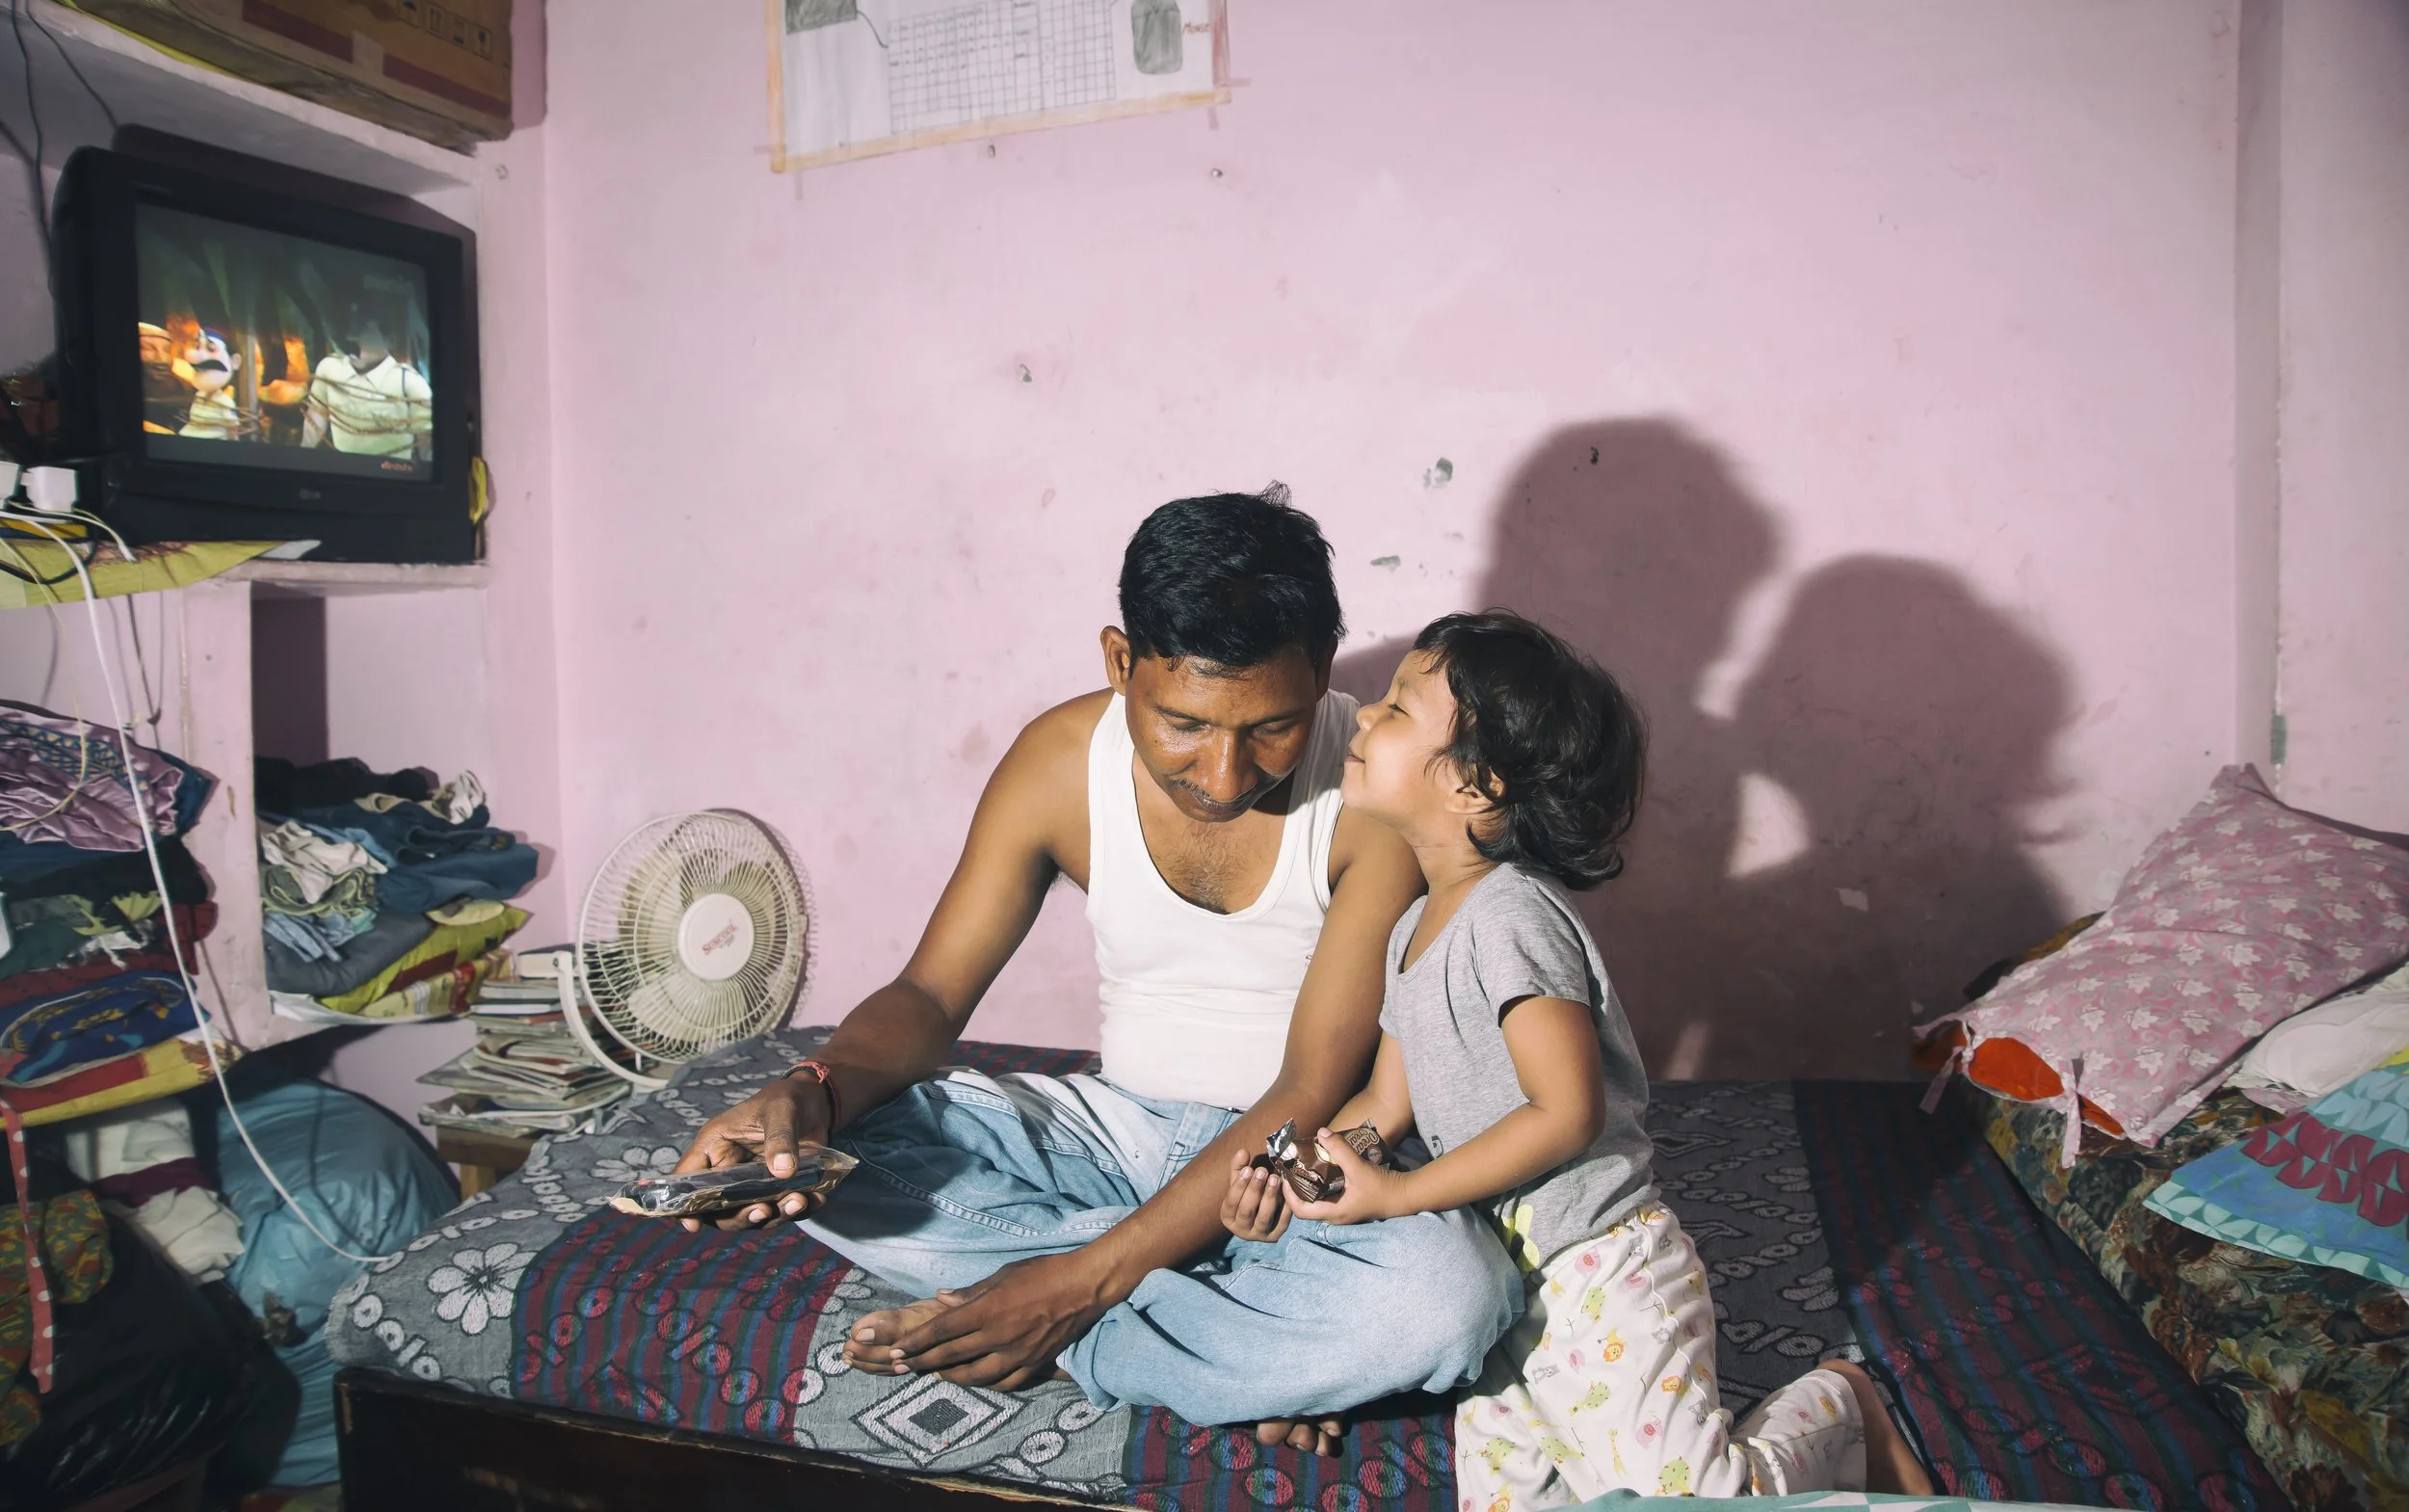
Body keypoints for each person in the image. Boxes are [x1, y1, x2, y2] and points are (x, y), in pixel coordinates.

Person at [669, 489, 1520, 1448]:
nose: (1225, 775)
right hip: (1105, 1147)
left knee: (1452, 1296)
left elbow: (1311, 1086)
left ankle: (1090, 1325)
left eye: (1270, 730)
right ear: (1121, 663)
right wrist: (811, 1091)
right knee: (815, 1161)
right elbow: (929, 994)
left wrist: (1073, 1288)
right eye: (1186, 725)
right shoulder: (1057, 763)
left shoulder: (1373, 791)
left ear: (1322, 670)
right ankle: (1230, 1330)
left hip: (1290, 1165)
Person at [1222, 610, 1932, 1505]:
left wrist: (1398, 1193)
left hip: (1601, 1267)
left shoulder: (1513, 916)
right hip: (1509, 1289)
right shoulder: (1412, 929)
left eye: (1399, 709)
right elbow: (1385, 1104)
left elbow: (1567, 1112)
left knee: (1688, 1499)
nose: (1363, 715)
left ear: (1476, 784)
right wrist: (1291, 1171)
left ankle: (1844, 1405)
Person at [300, 310, 431, 459]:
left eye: (363, 331)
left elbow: (426, 441)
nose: (350, 338)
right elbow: (316, 415)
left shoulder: (409, 382)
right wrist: (302, 457)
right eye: (349, 331)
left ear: (389, 340)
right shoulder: (329, 369)